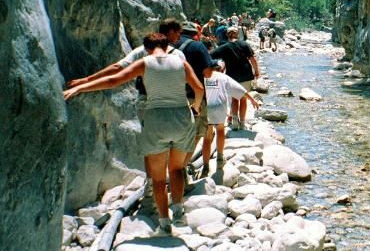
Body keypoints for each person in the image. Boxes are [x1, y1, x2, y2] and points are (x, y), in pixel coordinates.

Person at [63, 33, 203, 234]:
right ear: (167, 46)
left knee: (158, 178)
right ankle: (180, 214)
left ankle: (165, 225)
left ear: (146, 49)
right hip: (182, 116)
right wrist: (195, 108)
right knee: (177, 169)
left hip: (156, 118)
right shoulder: (181, 62)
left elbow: (113, 80)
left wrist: (81, 88)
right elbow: (198, 88)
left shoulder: (144, 62)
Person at [201, 59, 260, 176]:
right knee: (220, 131)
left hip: (206, 106)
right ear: (222, 69)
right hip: (219, 106)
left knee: (207, 138)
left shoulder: (203, 75)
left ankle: (206, 166)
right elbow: (239, 89)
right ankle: (219, 158)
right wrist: (252, 99)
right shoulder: (223, 77)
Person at [175, 21, 213, 180]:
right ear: (194, 34)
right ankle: (181, 169)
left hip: (172, 96)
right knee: (196, 133)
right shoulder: (198, 47)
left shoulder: (169, 46)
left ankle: (170, 169)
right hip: (194, 96)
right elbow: (208, 73)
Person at [210, 26, 260, 130]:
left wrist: (218, 69)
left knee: (234, 99)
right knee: (243, 99)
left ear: (227, 35)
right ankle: (242, 123)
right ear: (237, 34)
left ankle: (235, 122)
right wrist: (256, 71)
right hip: (246, 74)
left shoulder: (224, 47)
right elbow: (252, 59)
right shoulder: (244, 44)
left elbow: (210, 56)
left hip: (232, 75)